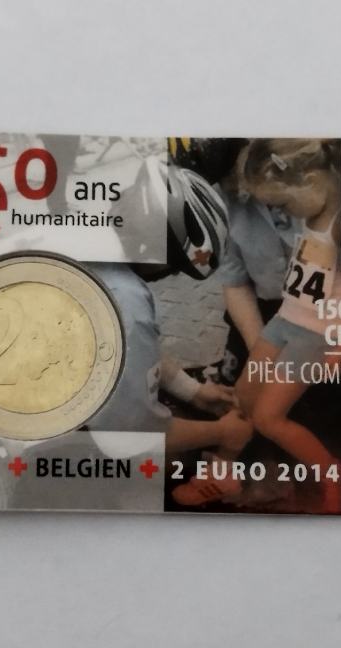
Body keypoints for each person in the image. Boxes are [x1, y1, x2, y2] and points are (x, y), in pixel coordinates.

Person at [233, 139, 341, 513]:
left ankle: (333, 476)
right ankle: (267, 467)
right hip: (287, 317)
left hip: (317, 333)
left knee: (269, 417)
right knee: (245, 393)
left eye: (282, 205)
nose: (280, 213)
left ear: (313, 181)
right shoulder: (314, 207)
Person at [86, 157, 253, 488]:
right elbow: (127, 437)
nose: (171, 275)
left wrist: (193, 392)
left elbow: (127, 354)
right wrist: (223, 433)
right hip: (27, 428)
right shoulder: (126, 305)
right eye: (174, 266)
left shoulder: (89, 237)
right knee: (175, 463)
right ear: (152, 247)